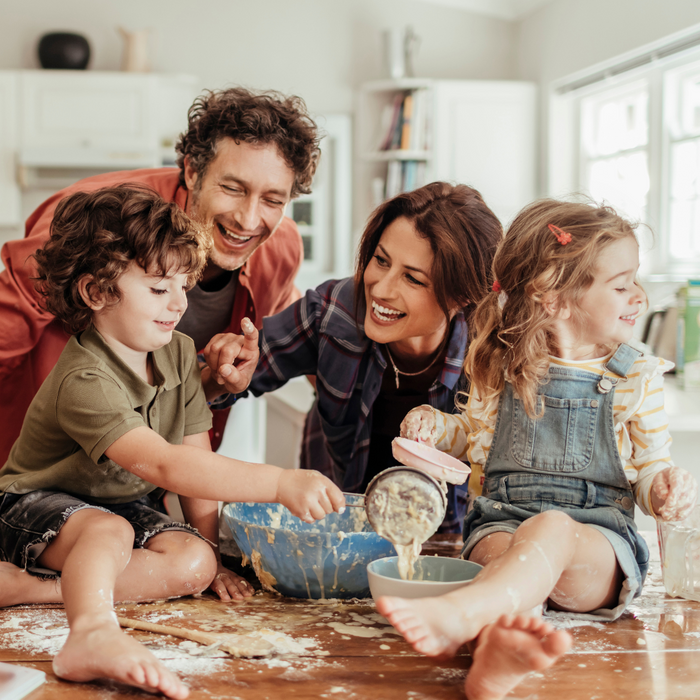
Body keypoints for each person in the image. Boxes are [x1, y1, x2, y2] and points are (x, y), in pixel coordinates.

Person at [0, 186, 345, 700]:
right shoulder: (84, 379)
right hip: (28, 507)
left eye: (186, 284)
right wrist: (278, 481)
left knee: (193, 562)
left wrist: (213, 552)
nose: (180, 303)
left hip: (117, 506)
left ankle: (26, 590)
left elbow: (193, 454)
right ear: (97, 293)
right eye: (161, 289)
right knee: (108, 532)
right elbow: (164, 465)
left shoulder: (180, 353)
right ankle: (91, 633)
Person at [377, 198, 699, 700]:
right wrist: (435, 429)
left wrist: (661, 490)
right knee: (507, 563)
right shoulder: (499, 363)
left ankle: (461, 615)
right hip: (502, 524)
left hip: (597, 546)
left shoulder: (636, 376)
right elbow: (471, 437)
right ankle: (496, 655)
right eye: (621, 285)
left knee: (550, 529)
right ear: (553, 296)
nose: (637, 295)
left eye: (634, 280)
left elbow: (647, 469)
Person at [0, 86, 320, 481]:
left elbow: (303, 327)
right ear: (192, 170)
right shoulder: (99, 217)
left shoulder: (279, 249)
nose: (249, 220)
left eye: (272, 200)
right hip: (53, 475)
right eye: (233, 188)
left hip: (149, 480)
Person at [201, 182, 503, 531]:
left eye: (413, 279)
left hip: (446, 536)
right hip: (333, 523)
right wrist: (221, 372)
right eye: (381, 260)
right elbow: (207, 388)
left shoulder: (492, 353)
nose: (381, 289)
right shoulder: (334, 311)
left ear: (462, 295)